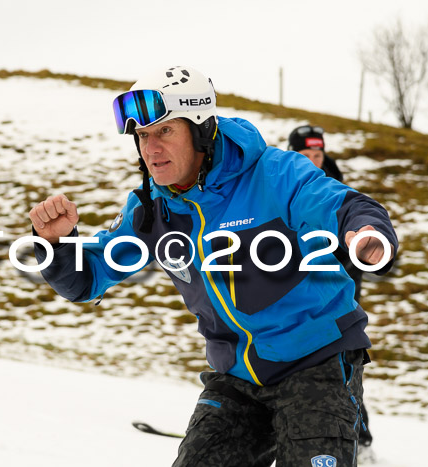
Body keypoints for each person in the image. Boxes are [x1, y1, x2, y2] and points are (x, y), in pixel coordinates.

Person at [29, 66, 397, 466]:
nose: (151, 148)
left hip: (316, 363)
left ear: (202, 129)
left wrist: (366, 233)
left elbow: (342, 204)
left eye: (165, 131)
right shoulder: (153, 209)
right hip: (238, 377)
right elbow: (86, 280)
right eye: (142, 136)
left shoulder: (274, 174)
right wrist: (56, 244)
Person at [288, 124, 374, 453]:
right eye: (305, 155)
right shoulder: (280, 187)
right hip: (291, 307)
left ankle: (359, 439)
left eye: (318, 154)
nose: (313, 161)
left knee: (342, 371)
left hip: (336, 302)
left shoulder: (334, 193)